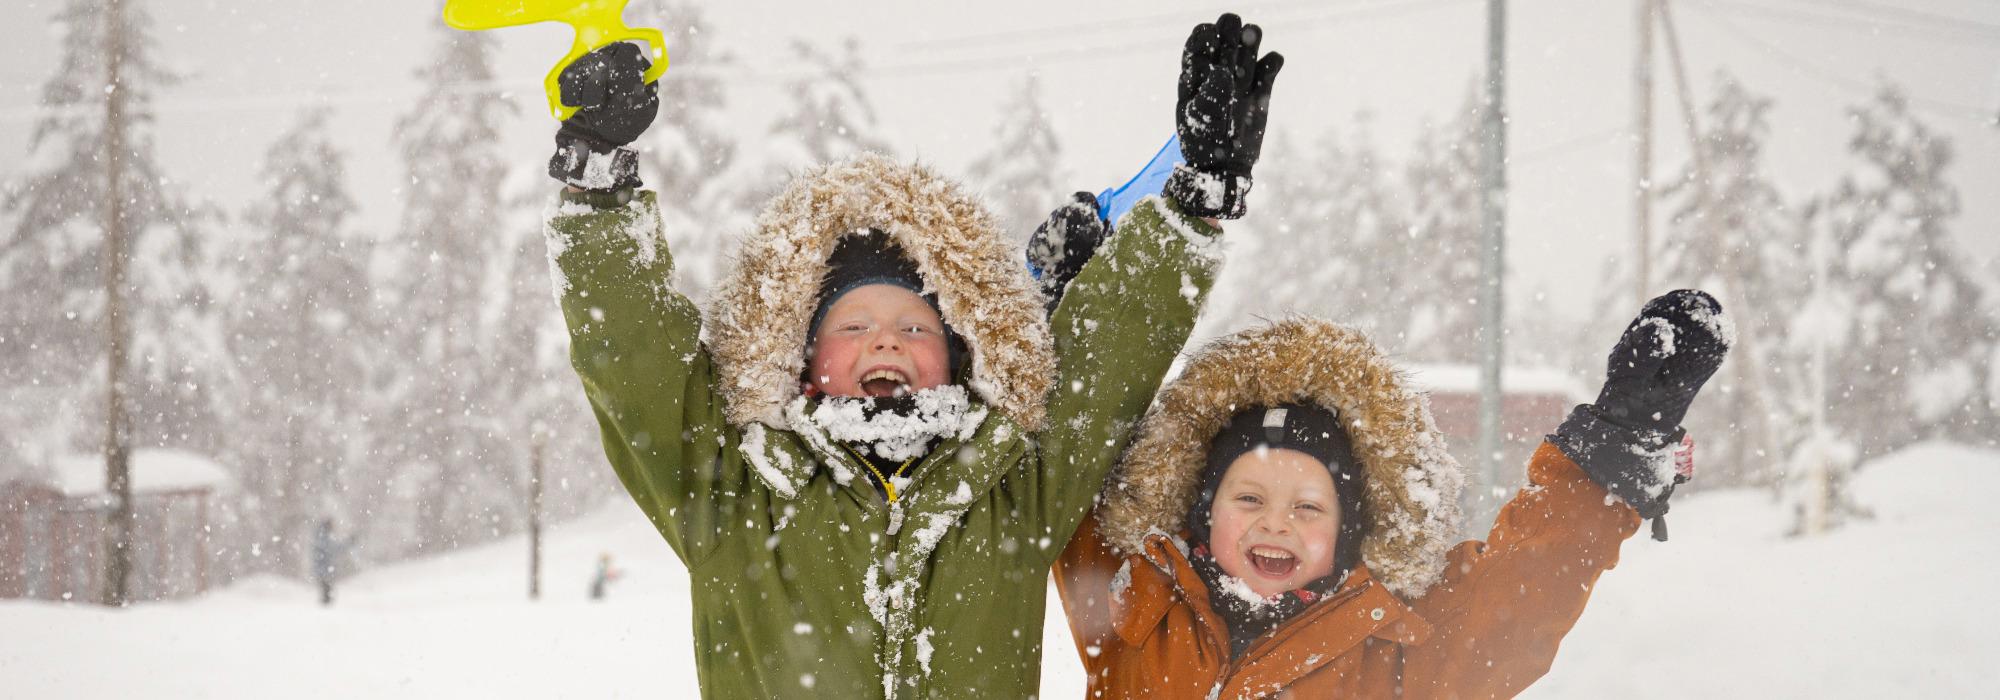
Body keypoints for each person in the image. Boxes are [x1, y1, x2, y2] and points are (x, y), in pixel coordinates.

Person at [539, 12, 1280, 697]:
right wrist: (600, 181)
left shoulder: (1012, 489)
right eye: (853, 326)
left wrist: (1195, 201)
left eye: (917, 327)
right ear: (801, 361)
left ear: (960, 358)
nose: (886, 339)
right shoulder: (737, 493)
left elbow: (1104, 362)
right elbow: (631, 353)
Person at [1055, 292, 1732, 698]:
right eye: (1249, 499)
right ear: (1204, 511)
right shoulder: (1136, 598)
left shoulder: (1399, 646)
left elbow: (1520, 592)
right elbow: (1052, 477)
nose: (1277, 526)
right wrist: (1074, 314)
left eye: (1309, 508)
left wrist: (1605, 459)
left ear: (1349, 530)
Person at [310, 519, 353, 607]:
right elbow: (334, 548)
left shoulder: (319, 536)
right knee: (326, 589)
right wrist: (348, 543)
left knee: (326, 589)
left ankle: (325, 605)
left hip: (322, 569)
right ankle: (325, 607)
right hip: (323, 570)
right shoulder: (323, 537)